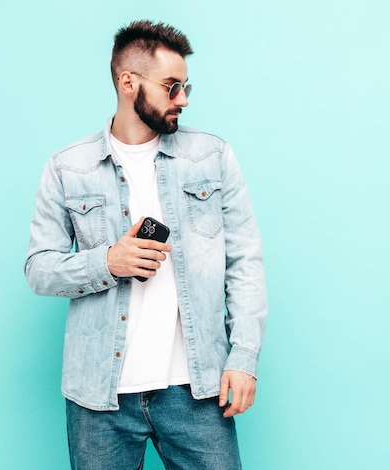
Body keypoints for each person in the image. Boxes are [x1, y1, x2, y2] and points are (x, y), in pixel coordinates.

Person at [24, 20, 267, 470]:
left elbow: (245, 264)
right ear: (128, 82)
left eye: (186, 86)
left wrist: (244, 357)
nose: (184, 100)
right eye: (172, 87)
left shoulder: (211, 157)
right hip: (100, 395)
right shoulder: (67, 167)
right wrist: (107, 262)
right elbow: (39, 268)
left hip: (196, 389)